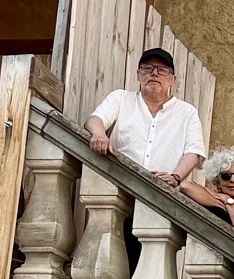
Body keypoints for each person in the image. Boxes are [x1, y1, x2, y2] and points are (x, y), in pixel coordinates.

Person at [86, 47, 203, 183]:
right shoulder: (121, 98)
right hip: (119, 183)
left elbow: (193, 152)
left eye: (162, 70)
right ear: (138, 74)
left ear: (172, 79)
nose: (154, 73)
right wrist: (99, 134)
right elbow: (95, 119)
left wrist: (175, 177)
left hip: (161, 189)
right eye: (147, 68)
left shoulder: (187, 112)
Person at [180, 148, 234, 237]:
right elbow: (185, 186)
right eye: (226, 176)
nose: (233, 180)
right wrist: (225, 201)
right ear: (218, 182)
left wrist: (229, 203)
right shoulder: (218, 196)